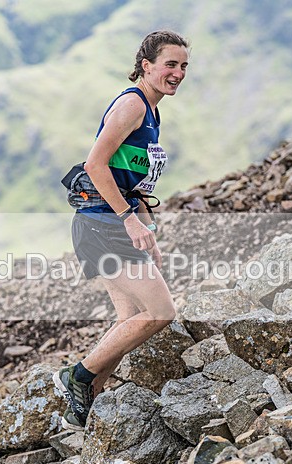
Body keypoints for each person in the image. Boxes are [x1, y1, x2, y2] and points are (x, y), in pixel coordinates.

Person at [53, 30, 190, 431]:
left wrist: (147, 228)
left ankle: (86, 404)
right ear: (146, 66)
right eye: (170, 64)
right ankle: (77, 376)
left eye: (183, 66)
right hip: (102, 223)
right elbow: (95, 164)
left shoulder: (152, 110)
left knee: (129, 317)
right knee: (161, 312)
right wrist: (130, 221)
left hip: (108, 222)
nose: (178, 73)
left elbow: (130, 182)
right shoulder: (132, 105)